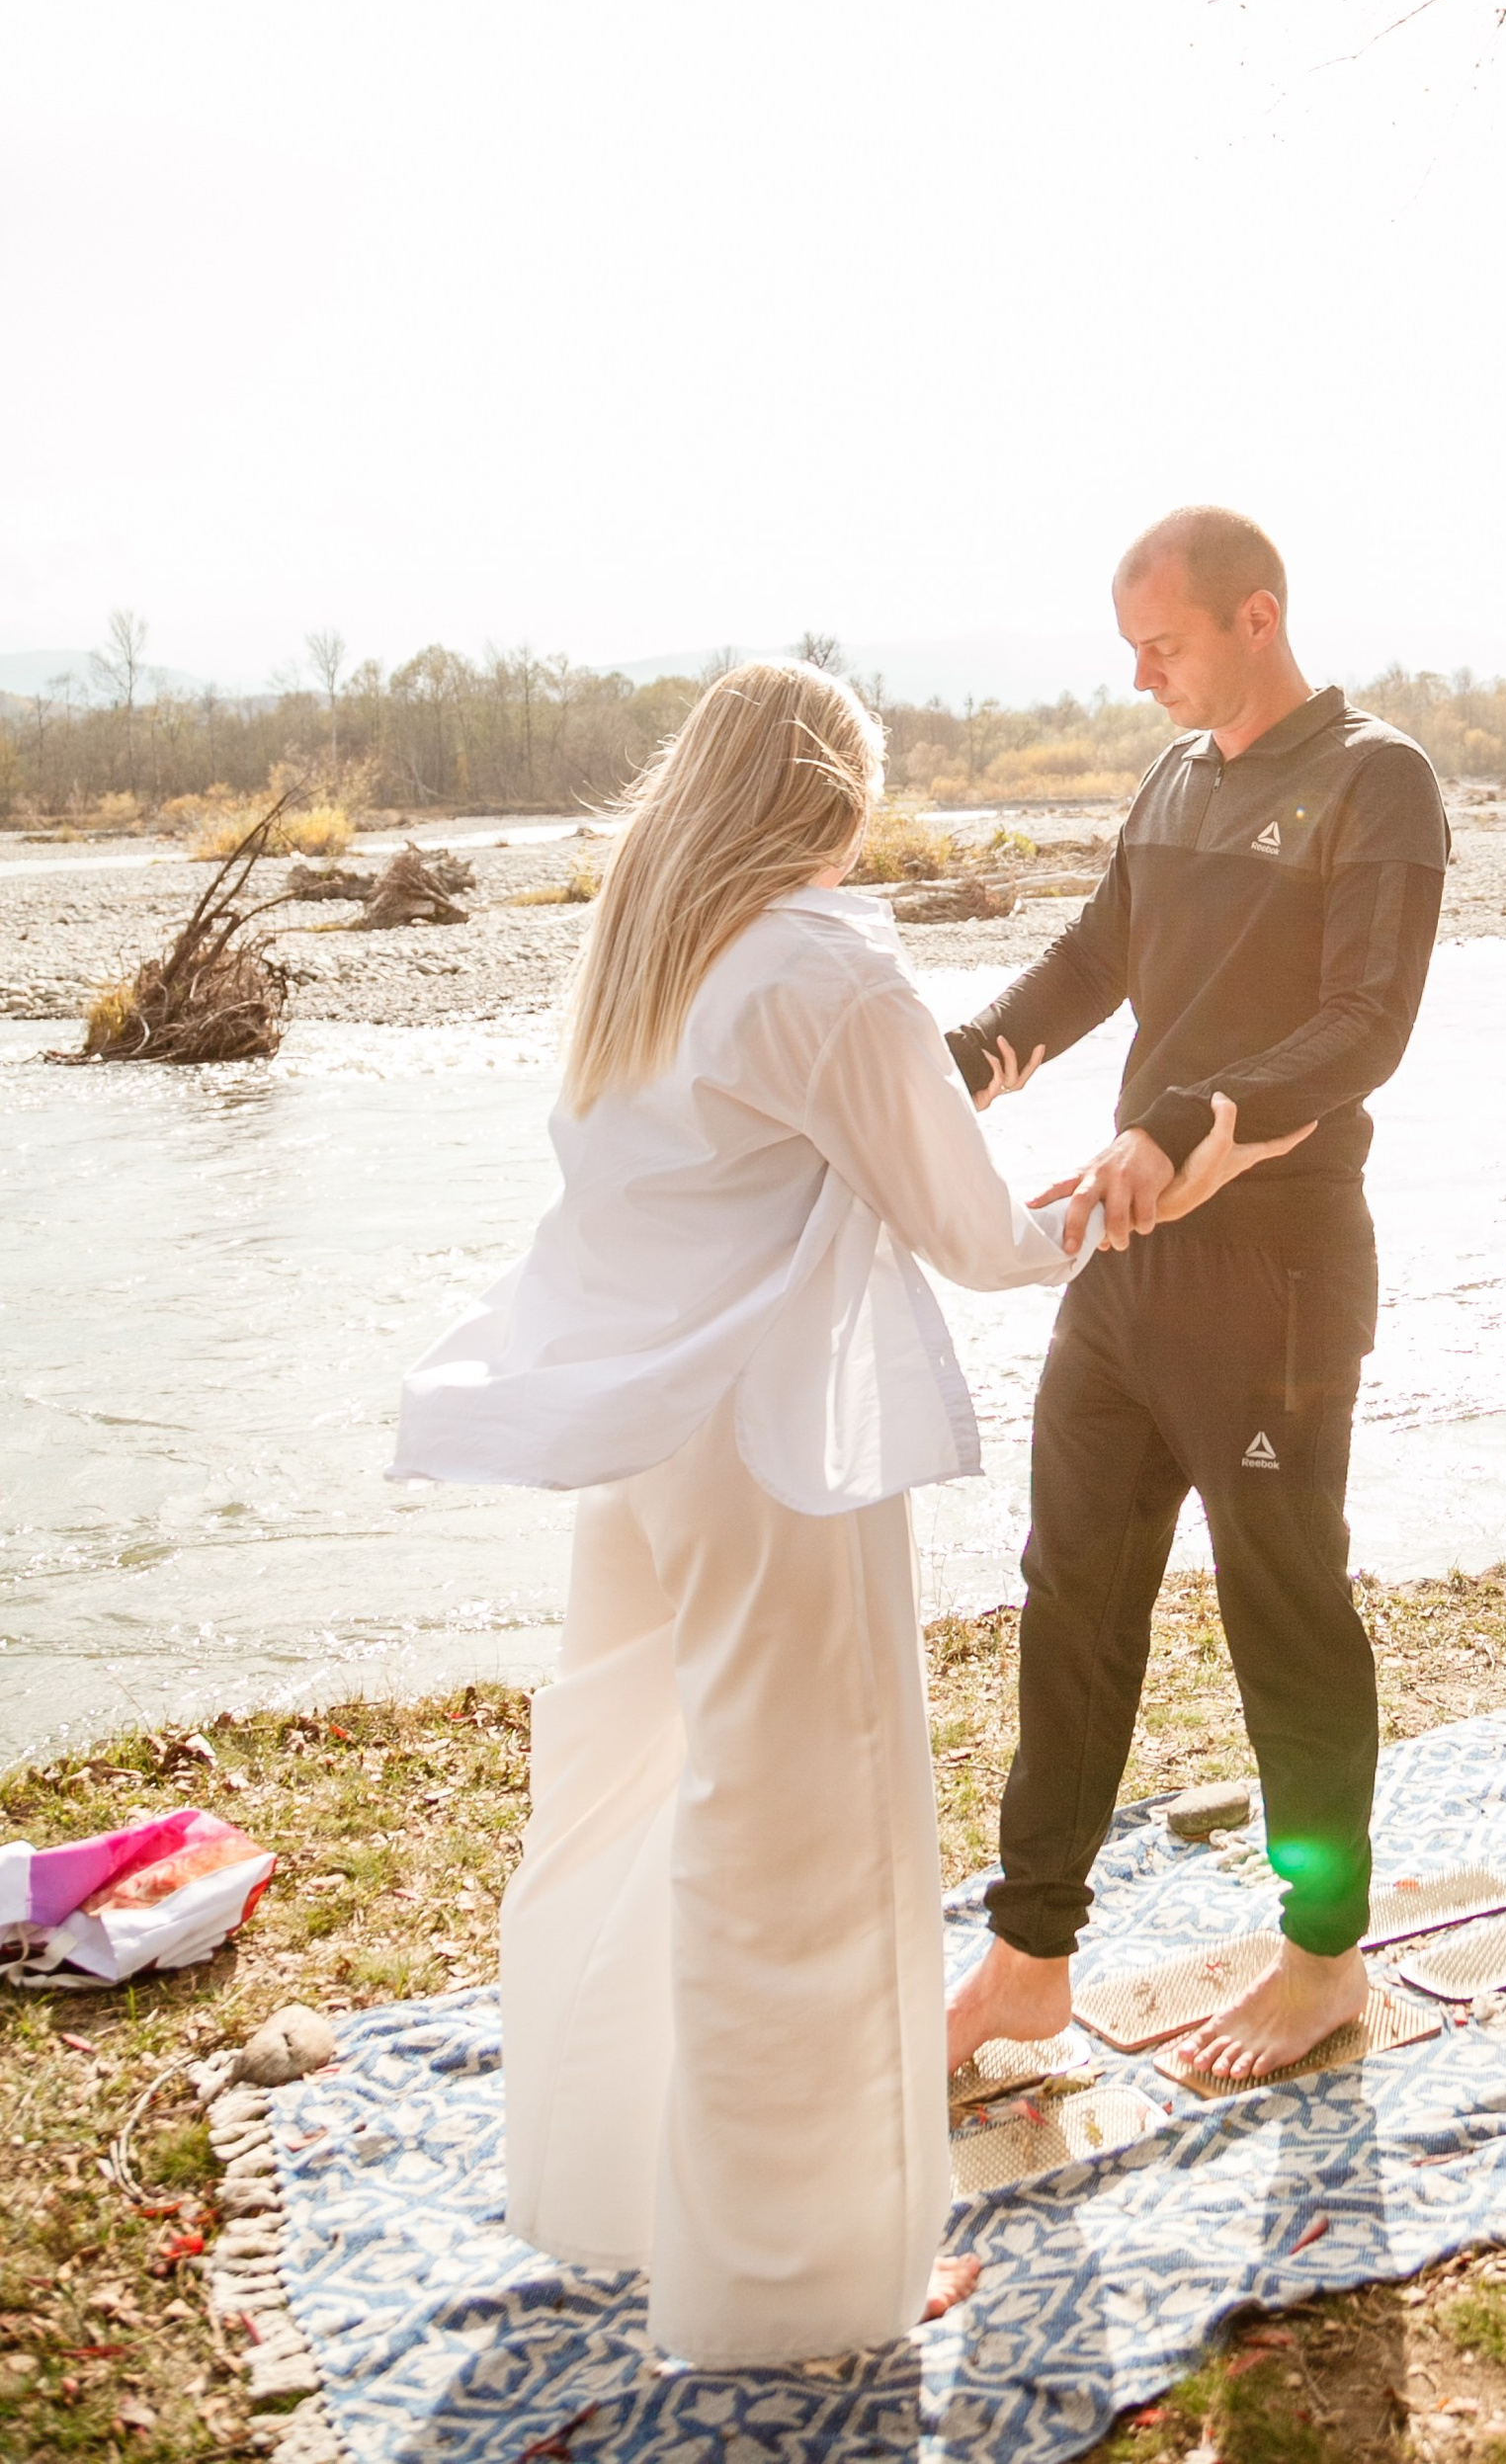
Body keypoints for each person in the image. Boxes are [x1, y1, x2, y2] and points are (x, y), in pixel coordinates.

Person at [390, 658, 1293, 2366]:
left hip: (642, 1444)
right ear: (835, 797)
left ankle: (619, 2189)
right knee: (806, 1843)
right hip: (767, 1456)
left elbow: (779, 1152)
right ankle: (803, 2279)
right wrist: (1153, 1184)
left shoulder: (649, 944)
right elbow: (979, 1239)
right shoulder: (821, 958)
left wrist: (948, 1107)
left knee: (632, 1795)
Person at [943, 508, 1450, 2086]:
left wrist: (1178, 1124)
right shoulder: (1172, 780)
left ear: (1257, 618)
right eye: (1131, 649)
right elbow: (1091, 964)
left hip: (1277, 1274)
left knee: (1281, 1605)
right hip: (1128, 1263)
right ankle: (1030, 1958)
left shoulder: (1376, 780)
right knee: (1072, 1596)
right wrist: (952, 1071)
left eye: (1161, 645)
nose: (1141, 676)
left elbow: (1366, 1027)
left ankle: (1325, 1955)